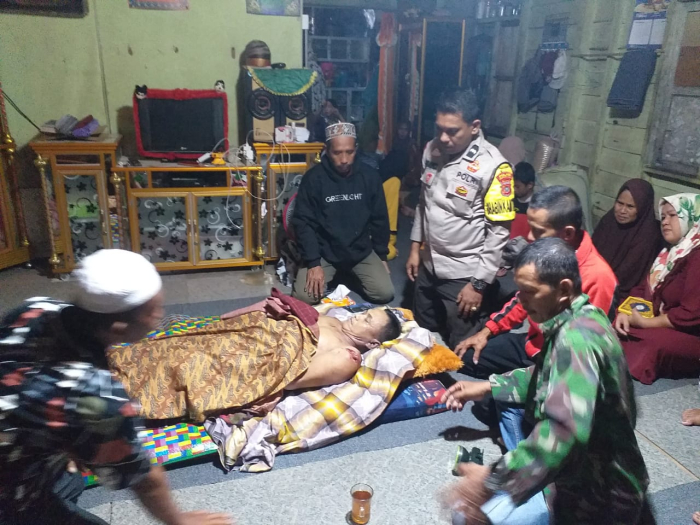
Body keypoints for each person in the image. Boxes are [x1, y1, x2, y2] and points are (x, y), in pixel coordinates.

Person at [0, 249, 232, 525]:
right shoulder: (98, 397)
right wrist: (179, 520)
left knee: (71, 477)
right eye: (153, 312)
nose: (160, 315)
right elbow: (145, 480)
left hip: (14, 444)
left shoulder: (36, 308)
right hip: (10, 494)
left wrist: (67, 436)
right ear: (119, 328)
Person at [442, 238, 652, 525]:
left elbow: (562, 431)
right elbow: (548, 375)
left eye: (529, 291)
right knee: (505, 403)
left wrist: (491, 479)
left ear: (563, 289)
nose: (521, 300)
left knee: (466, 517)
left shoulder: (576, 340)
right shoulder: (582, 315)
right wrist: (489, 386)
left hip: (601, 495)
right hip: (583, 475)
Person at [110, 298, 404, 420]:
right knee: (184, 344)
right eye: (364, 312)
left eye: (367, 320)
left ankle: (117, 393)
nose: (358, 317)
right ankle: (113, 368)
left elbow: (292, 377)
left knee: (190, 364)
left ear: (372, 343)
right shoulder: (334, 318)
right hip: (257, 333)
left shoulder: (347, 356)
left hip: (262, 357)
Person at [456, 185, 618, 378]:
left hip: (565, 363)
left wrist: (504, 385)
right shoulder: (545, 251)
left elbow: (585, 352)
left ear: (567, 233)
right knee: (465, 358)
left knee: (498, 395)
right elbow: (522, 300)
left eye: (538, 231)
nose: (530, 237)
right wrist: (486, 332)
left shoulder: (598, 277)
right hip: (534, 345)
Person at [406, 89, 516, 348]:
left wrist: (478, 285)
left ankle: (488, 302)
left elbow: (499, 232)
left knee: (463, 350)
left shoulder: (494, 167)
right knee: (420, 332)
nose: (443, 138)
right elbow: (424, 203)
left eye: (452, 131)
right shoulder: (431, 149)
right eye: (439, 129)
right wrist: (414, 248)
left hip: (463, 272)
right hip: (429, 262)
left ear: (474, 126)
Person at [291, 121, 394, 305]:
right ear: (327, 150)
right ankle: (334, 273)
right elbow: (303, 223)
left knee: (384, 293)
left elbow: (380, 219)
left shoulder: (370, 176)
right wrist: (313, 263)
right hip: (325, 252)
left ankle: (348, 274)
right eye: (337, 153)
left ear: (356, 149)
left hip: (360, 251)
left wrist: (381, 256)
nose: (344, 159)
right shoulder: (313, 179)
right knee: (304, 296)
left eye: (350, 152)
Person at [615, 193, 700, 384]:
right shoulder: (670, 252)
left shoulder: (697, 256)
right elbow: (643, 289)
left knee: (653, 344)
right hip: (661, 322)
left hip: (690, 333)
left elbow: (691, 314)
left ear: (692, 217)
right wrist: (626, 312)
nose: (665, 222)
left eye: (672, 215)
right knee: (618, 322)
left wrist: (647, 323)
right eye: (662, 217)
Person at [592, 178, 663, 298]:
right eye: (620, 203)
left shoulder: (647, 236)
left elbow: (627, 276)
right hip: (594, 279)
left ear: (642, 208)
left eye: (630, 206)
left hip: (620, 293)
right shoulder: (608, 221)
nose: (622, 211)